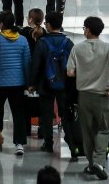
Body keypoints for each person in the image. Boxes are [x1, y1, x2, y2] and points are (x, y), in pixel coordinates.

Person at [66, 16, 109, 181]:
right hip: (102, 96)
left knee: (87, 131)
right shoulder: (107, 48)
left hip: (83, 96)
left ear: (88, 30)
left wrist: (83, 73)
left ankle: (92, 164)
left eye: (84, 28)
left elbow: (70, 73)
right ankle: (99, 162)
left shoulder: (76, 49)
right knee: (104, 128)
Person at [29, 12, 77, 158]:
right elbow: (74, 65)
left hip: (45, 83)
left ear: (48, 25)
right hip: (64, 85)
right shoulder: (68, 43)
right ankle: (72, 145)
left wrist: (32, 83)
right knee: (65, 114)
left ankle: (48, 144)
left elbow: (36, 65)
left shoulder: (42, 42)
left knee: (46, 113)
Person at [0, 11, 30, 156]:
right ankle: (19, 144)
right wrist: (28, 83)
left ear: (2, 24)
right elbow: (27, 64)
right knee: (18, 114)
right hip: (18, 84)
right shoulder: (23, 40)